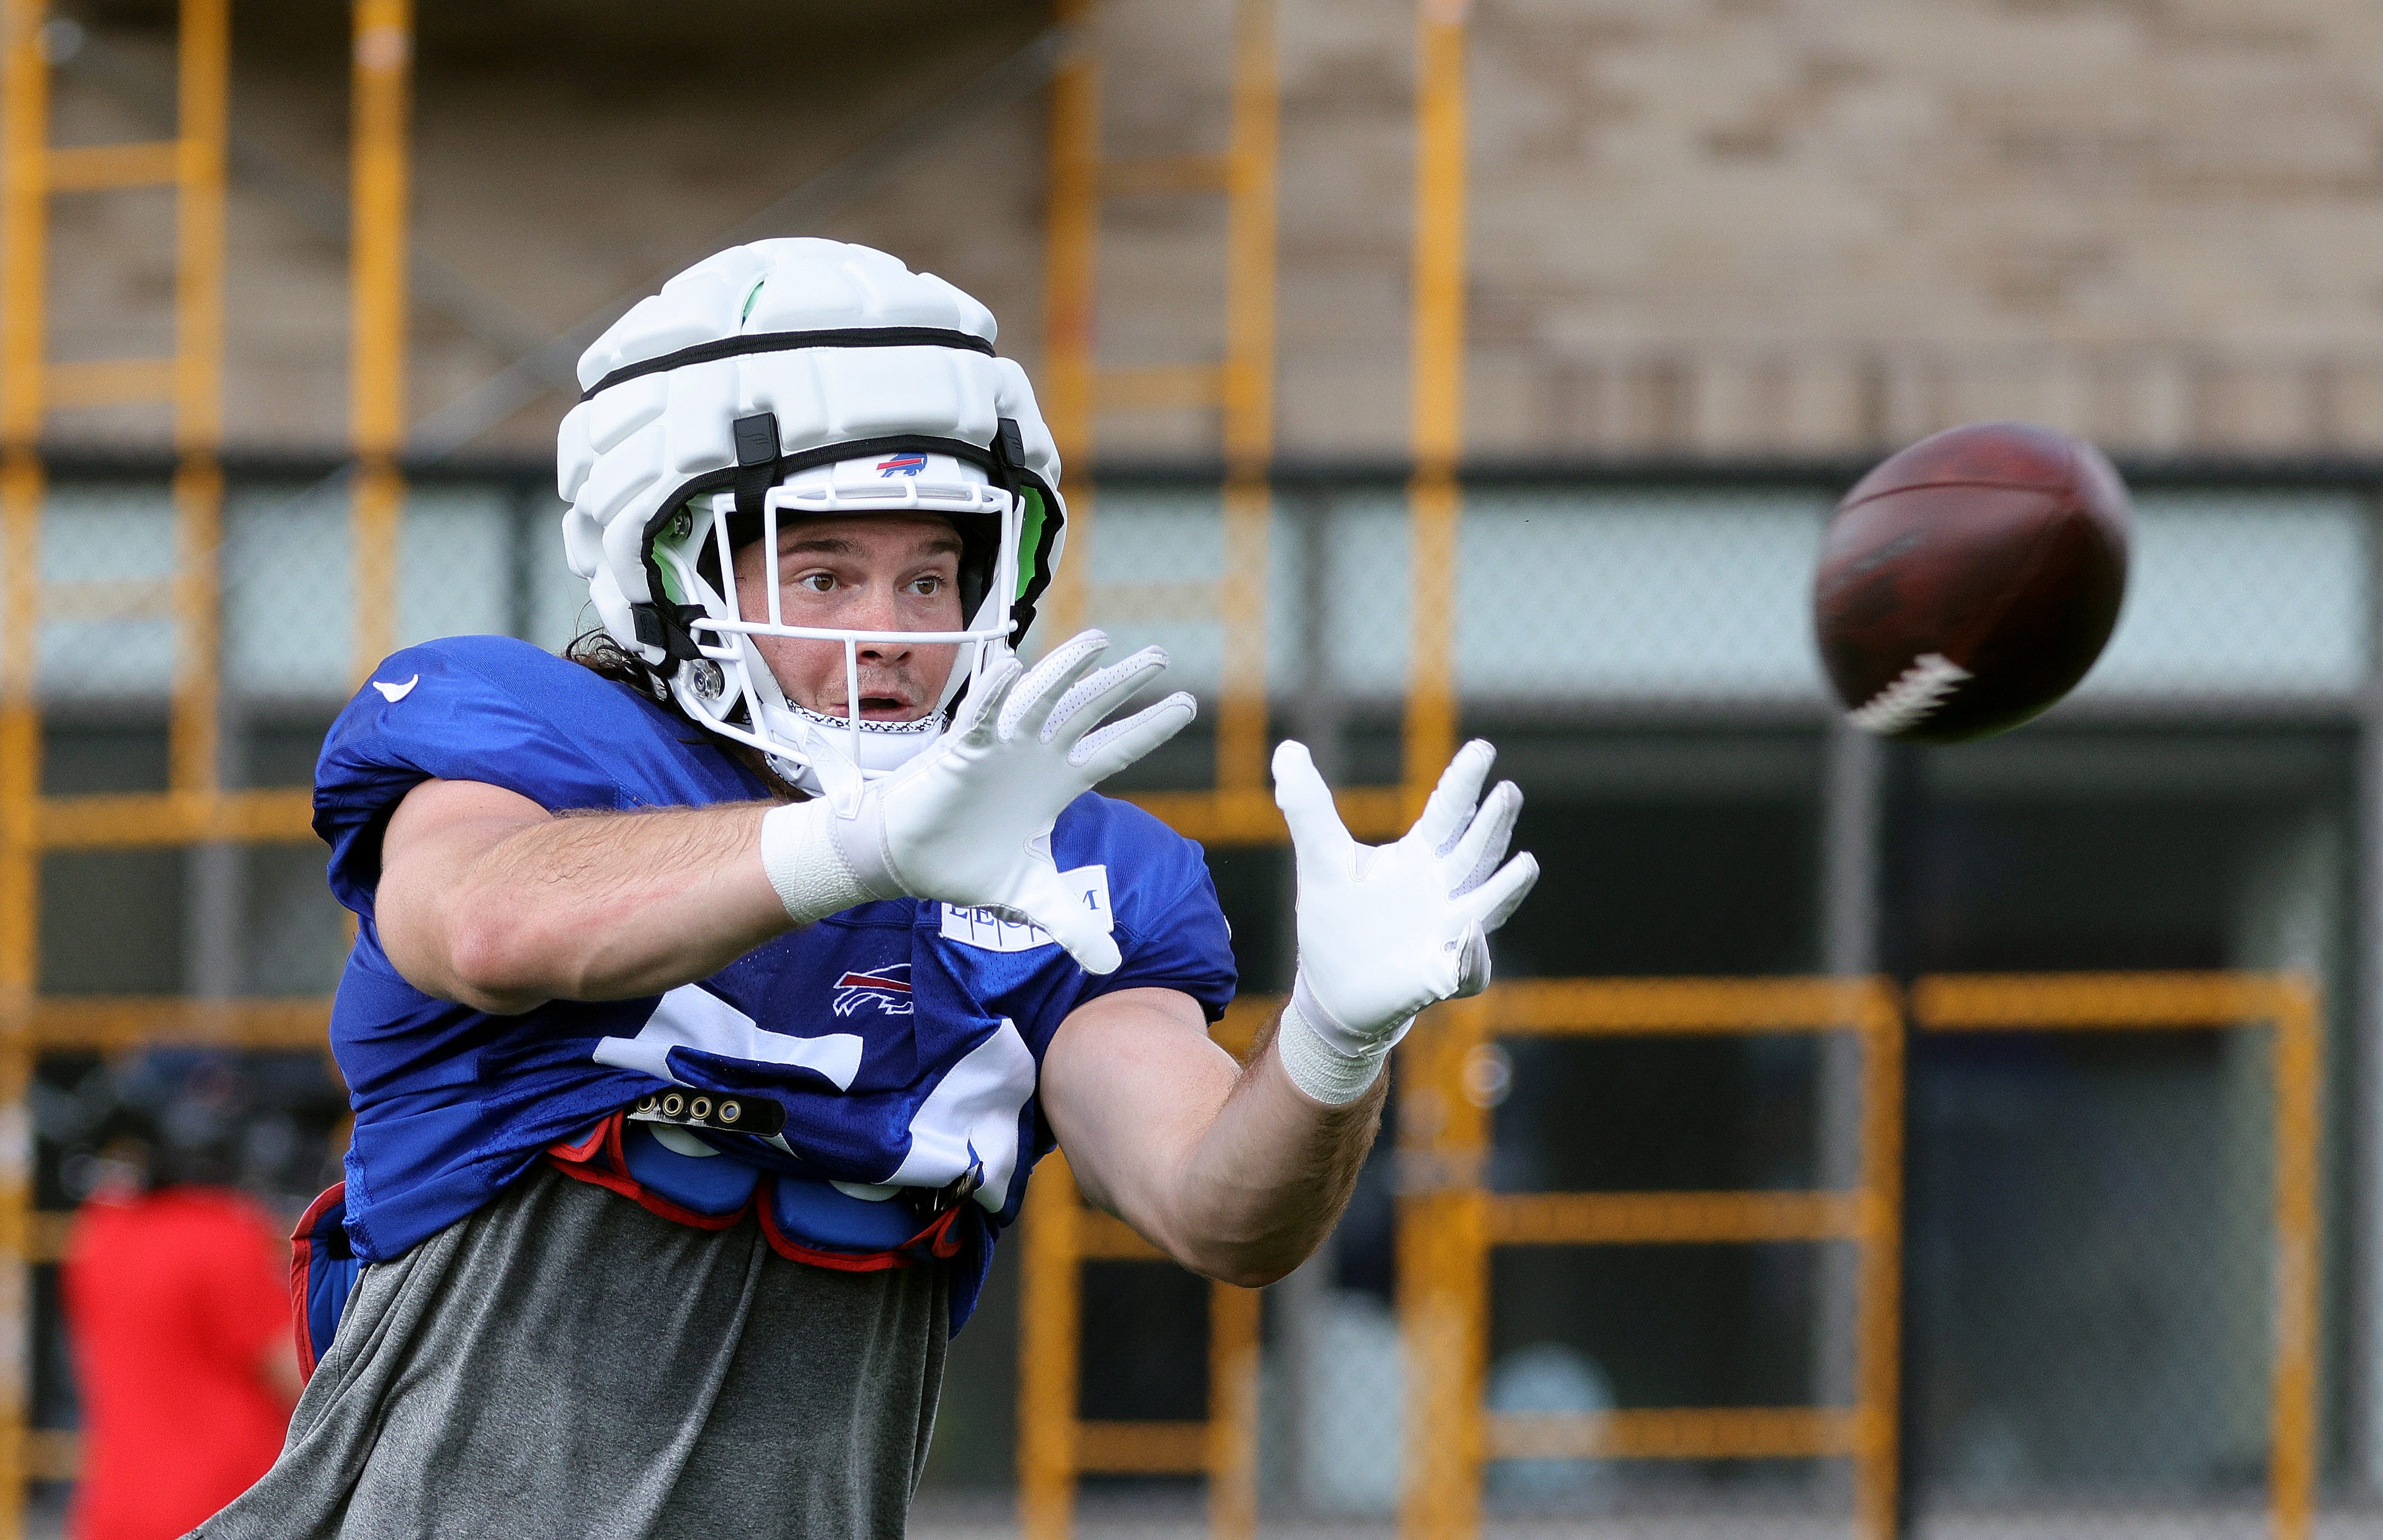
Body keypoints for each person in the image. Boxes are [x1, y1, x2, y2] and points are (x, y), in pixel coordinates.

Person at [197, 239, 1535, 1539]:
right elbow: (485, 921)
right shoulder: (539, 746)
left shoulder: (1066, 872)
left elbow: (1220, 1209)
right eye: (825, 572)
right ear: (672, 571)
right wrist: (863, 846)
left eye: (932, 575)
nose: (889, 631)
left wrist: (1335, 1042)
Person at [62, 1101, 298, 1540]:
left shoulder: (97, 1232)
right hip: (227, 1510)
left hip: (114, 1514)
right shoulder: (224, 1234)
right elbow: (298, 1378)